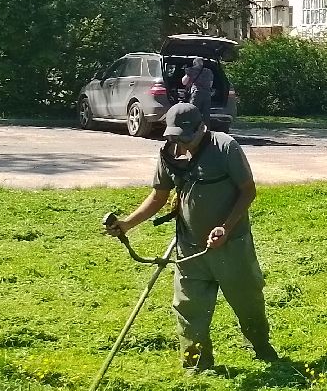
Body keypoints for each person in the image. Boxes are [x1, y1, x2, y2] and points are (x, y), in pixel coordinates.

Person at [103, 102, 277, 371]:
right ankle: (197, 366)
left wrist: (226, 227)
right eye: (173, 137)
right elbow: (159, 195)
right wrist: (127, 224)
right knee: (188, 309)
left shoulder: (225, 147)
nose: (179, 143)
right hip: (190, 247)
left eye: (184, 137)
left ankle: (261, 345)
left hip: (232, 246)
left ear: (201, 129)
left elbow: (248, 190)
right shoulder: (168, 154)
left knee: (248, 301)